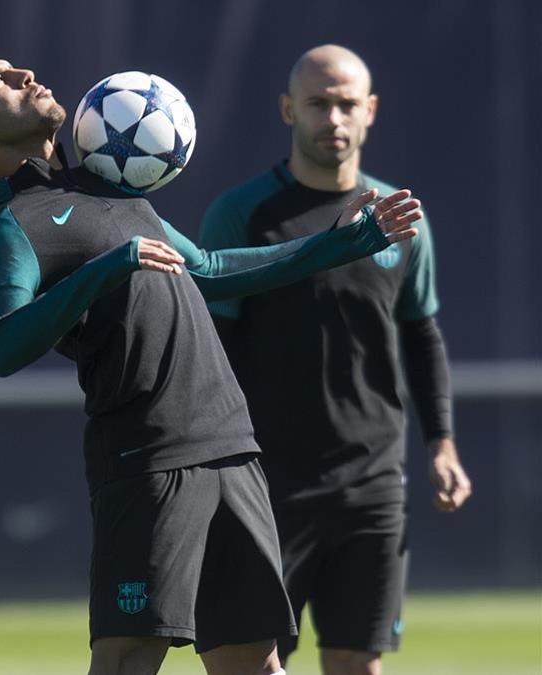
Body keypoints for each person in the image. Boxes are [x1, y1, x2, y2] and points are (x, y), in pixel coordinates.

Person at [0, 38, 423, 675]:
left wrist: (338, 245)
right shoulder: (9, 225)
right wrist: (105, 269)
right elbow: (3, 345)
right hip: (148, 460)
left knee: (255, 661)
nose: (23, 73)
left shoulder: (109, 184)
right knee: (127, 658)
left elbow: (206, 269)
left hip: (231, 445)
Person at [197, 44, 472, 675]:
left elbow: (420, 334)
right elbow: (211, 349)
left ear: (370, 110)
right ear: (288, 109)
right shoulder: (242, 214)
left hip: (372, 482)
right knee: (255, 664)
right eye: (317, 103)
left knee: (357, 663)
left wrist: (442, 445)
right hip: (264, 482)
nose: (333, 118)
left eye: (347, 104)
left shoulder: (399, 217)